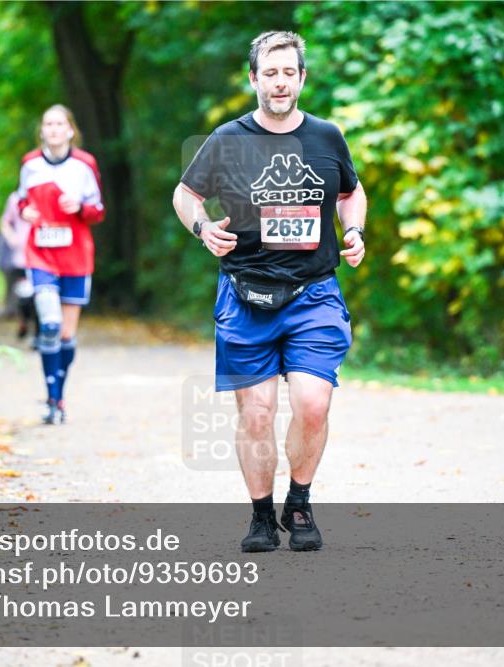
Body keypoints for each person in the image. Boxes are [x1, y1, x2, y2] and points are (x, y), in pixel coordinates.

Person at [173, 31, 367, 552]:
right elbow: (186, 193)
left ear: (301, 78)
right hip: (245, 293)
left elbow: (351, 192)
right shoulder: (227, 139)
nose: (280, 82)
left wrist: (355, 231)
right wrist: (202, 227)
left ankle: (298, 503)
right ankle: (261, 516)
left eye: (289, 73)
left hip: (314, 293)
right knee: (255, 413)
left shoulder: (327, 137)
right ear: (254, 78)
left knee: (312, 405)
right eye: (270, 73)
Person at [16, 104, 105, 424]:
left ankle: (60, 397)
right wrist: (25, 210)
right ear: (42, 130)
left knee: (66, 334)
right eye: (48, 124)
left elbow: (98, 210)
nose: (53, 129)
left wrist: (79, 206)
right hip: (40, 254)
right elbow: (22, 199)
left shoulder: (84, 164)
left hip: (76, 256)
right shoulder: (30, 164)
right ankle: (51, 399)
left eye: (59, 124)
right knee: (50, 325)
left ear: (70, 130)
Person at [0, 191, 36, 340]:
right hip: (21, 255)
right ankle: (23, 322)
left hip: (43, 257)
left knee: (40, 295)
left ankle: (37, 332)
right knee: (22, 295)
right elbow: (5, 222)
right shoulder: (15, 198)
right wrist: (12, 238)